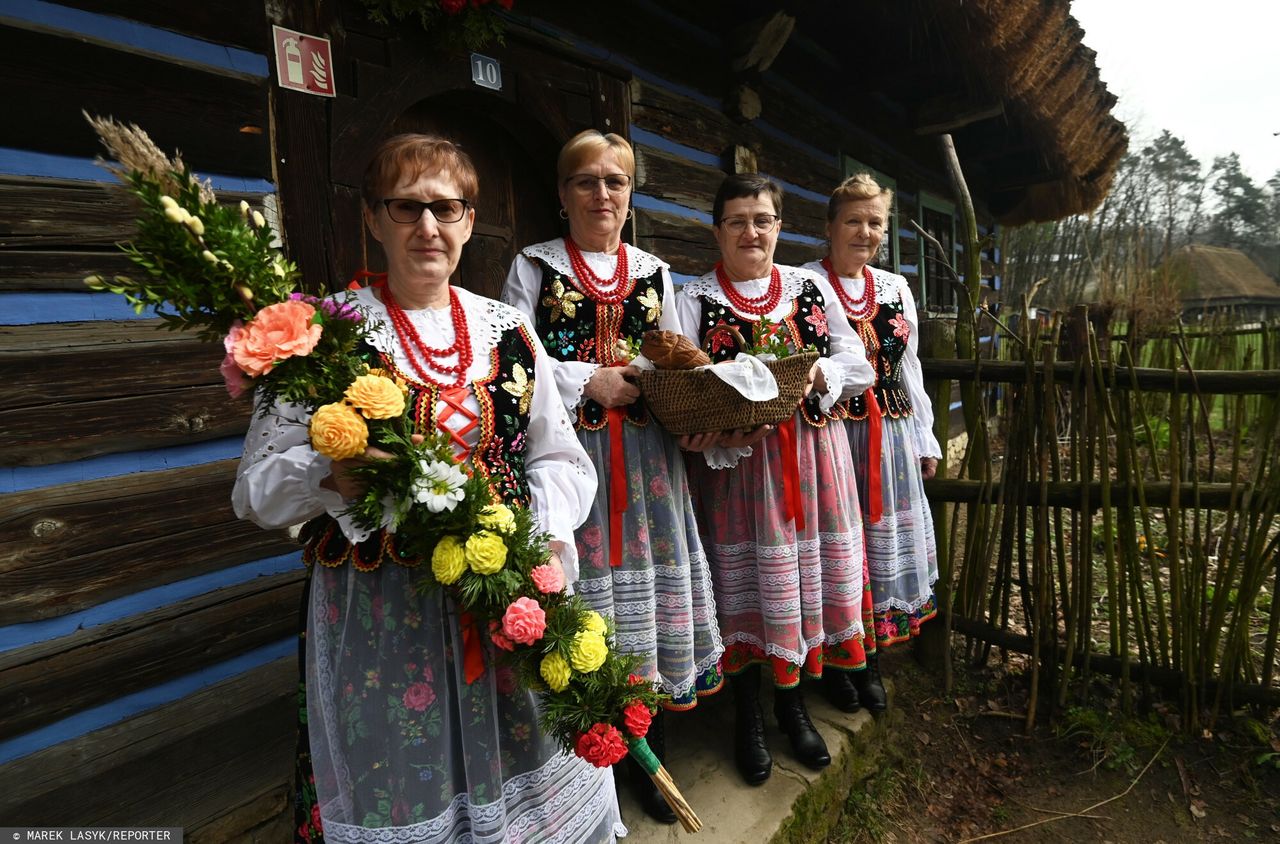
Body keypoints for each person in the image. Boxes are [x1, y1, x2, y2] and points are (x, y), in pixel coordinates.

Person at [232, 134, 624, 844]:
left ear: (470, 220)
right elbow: (255, 492)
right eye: (407, 207)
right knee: (399, 769)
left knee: (524, 757)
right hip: (382, 611)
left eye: (446, 208)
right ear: (373, 219)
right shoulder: (327, 338)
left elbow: (559, 457)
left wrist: (544, 543)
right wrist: (328, 476)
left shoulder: (508, 332)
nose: (428, 227)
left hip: (504, 593)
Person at [502, 129, 723, 824]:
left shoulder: (657, 273)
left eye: (616, 182)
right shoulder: (533, 268)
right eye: (586, 180)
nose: (602, 193)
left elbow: (681, 364)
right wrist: (586, 379)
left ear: (631, 197)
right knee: (585, 598)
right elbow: (517, 362)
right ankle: (595, 758)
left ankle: (646, 749)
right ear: (563, 195)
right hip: (573, 460)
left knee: (646, 600)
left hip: (651, 463)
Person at [671, 173, 876, 785]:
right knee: (749, 588)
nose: (751, 231)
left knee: (802, 582)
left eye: (762, 219)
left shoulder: (809, 288)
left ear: (779, 227)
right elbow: (681, 382)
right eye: (737, 220)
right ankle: (747, 717)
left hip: (814, 459)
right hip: (738, 468)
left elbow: (857, 363)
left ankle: (793, 707)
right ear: (717, 230)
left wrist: (817, 375)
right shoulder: (695, 298)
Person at [802, 173, 940, 712]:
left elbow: (910, 367)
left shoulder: (895, 288)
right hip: (835, 433)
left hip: (894, 435)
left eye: (875, 223)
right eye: (853, 221)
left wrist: (926, 437)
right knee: (839, 550)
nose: (864, 232)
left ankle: (872, 659)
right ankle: (839, 664)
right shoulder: (805, 282)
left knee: (879, 550)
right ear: (830, 226)